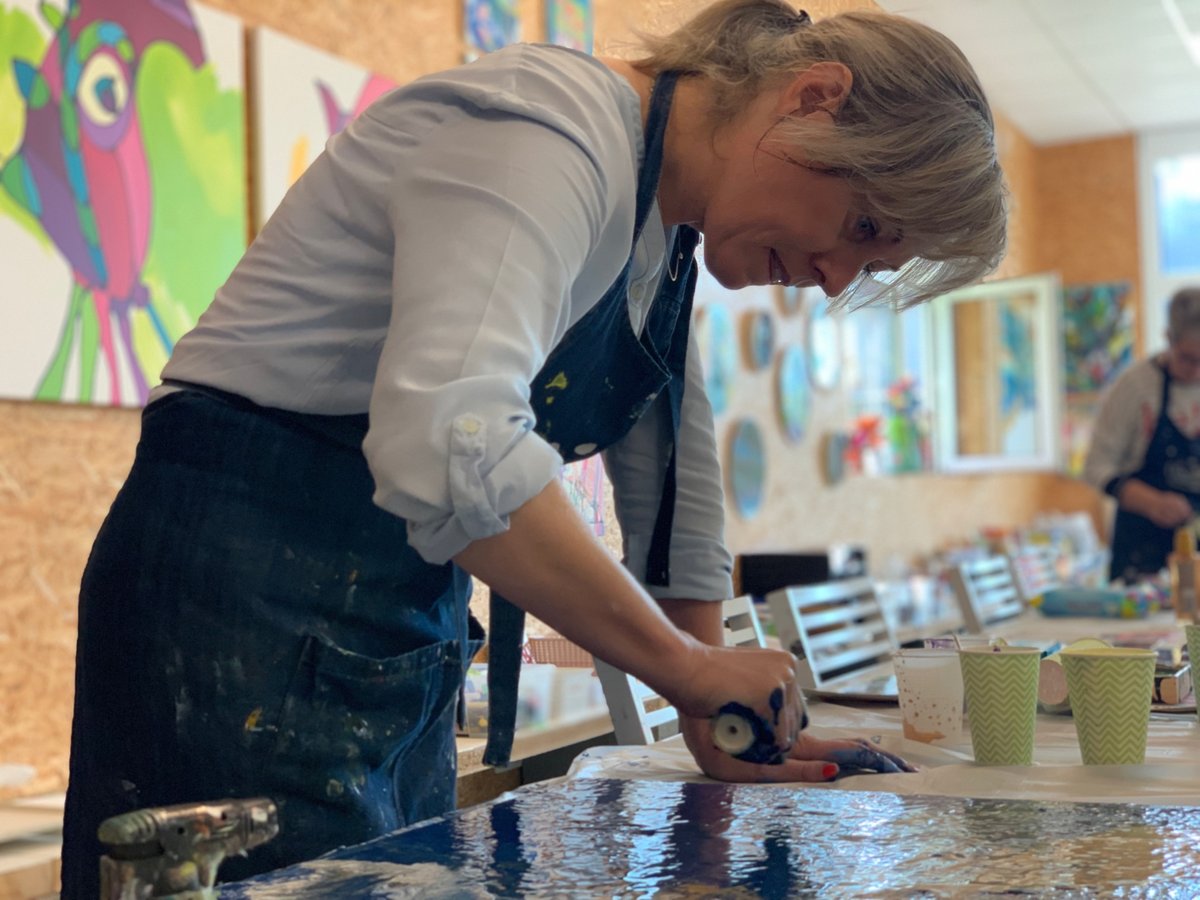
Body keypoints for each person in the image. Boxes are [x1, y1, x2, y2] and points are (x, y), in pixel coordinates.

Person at [60, 0, 1007, 892]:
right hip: (242, 584)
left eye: (872, 265)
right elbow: (449, 444)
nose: (837, 281)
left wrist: (720, 714)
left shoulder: (664, 232)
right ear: (813, 98)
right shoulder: (549, 129)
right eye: (862, 228)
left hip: (391, 608)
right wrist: (687, 670)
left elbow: (678, 494)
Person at [1084, 287, 1200, 582]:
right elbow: (1096, 467)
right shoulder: (1135, 387)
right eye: (1188, 359)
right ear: (1169, 339)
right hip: (1141, 555)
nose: (1197, 370)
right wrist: (1152, 502)